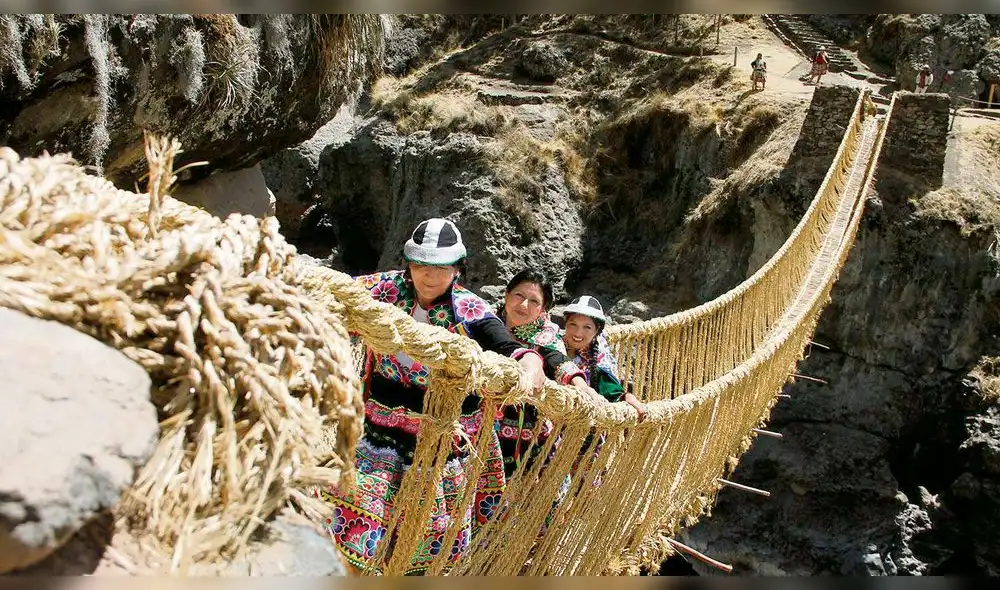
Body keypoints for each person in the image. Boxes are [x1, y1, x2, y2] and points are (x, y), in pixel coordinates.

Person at [316, 218, 549, 576]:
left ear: (457, 269)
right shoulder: (384, 290)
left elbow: (508, 346)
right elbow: (330, 292)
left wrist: (531, 363)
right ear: (408, 263)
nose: (429, 275)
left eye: (440, 267)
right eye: (420, 264)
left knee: (421, 545)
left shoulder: (469, 309)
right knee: (356, 526)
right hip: (380, 435)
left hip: (441, 442)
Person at [494, 268, 596, 480]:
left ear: (544, 309)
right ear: (506, 294)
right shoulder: (487, 324)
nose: (523, 305)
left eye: (534, 301)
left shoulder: (546, 336)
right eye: (519, 296)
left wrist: (580, 385)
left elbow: (556, 361)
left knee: (537, 503)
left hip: (534, 435)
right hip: (485, 431)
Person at [562, 295, 646, 419]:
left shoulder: (597, 359)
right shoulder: (551, 345)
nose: (578, 333)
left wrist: (626, 397)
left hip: (582, 422)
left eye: (587, 327)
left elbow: (610, 390)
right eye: (573, 324)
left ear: (597, 331)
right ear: (565, 324)